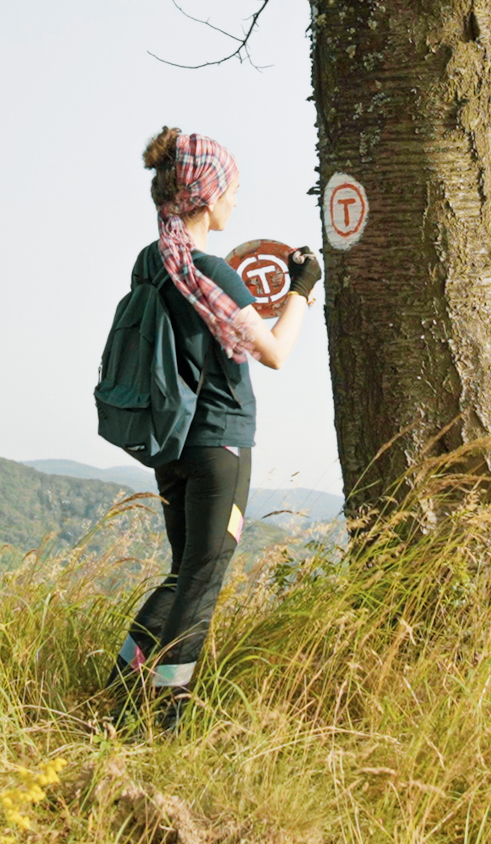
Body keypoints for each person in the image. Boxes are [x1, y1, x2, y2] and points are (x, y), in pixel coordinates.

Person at [108, 126, 321, 732]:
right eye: (231, 187)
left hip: (170, 445)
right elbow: (275, 352)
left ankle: (124, 691)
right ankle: (164, 718)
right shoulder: (210, 274)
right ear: (204, 194)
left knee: (185, 572)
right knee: (202, 580)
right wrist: (302, 289)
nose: (236, 199)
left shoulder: (154, 263)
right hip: (220, 445)